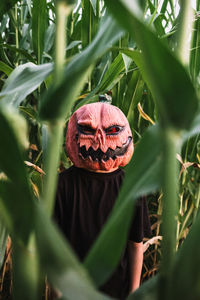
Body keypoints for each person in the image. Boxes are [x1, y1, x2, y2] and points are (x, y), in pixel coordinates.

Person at [54, 102, 151, 299]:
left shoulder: (132, 186)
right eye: (88, 130)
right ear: (73, 132)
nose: (100, 140)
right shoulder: (61, 185)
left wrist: (133, 293)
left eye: (113, 130)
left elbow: (135, 244)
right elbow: (54, 247)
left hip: (118, 292)